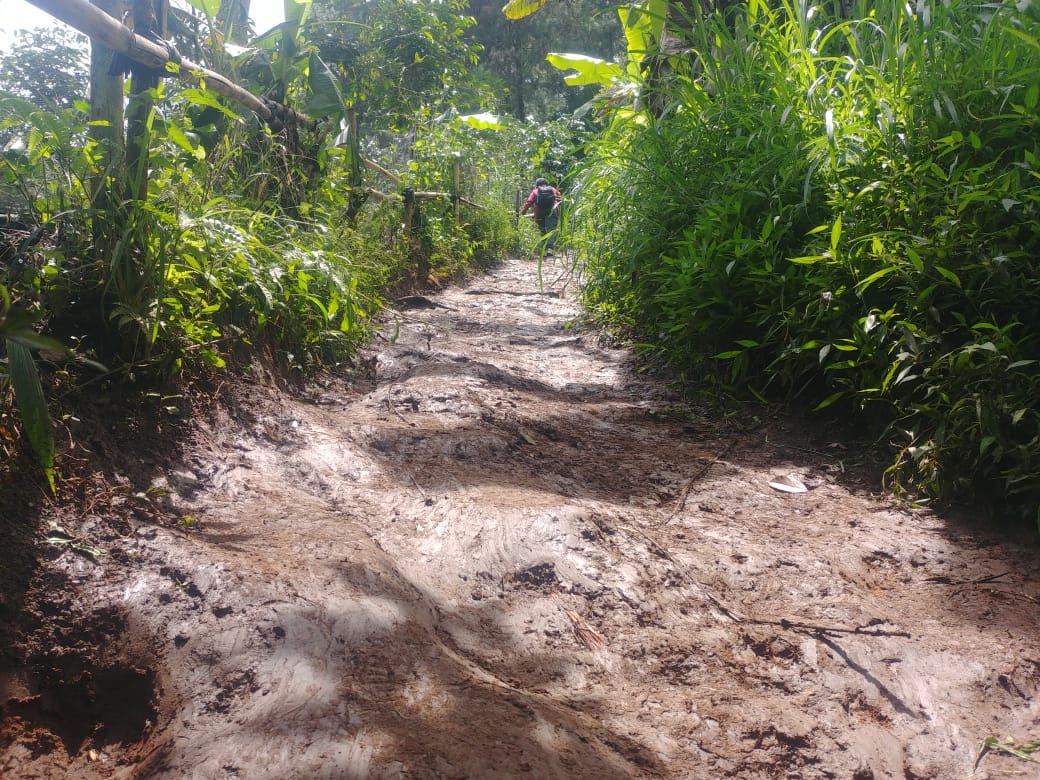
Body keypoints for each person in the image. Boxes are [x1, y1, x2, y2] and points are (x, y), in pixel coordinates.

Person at [520, 177, 562, 254]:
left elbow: (529, 202)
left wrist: (523, 212)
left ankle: (544, 249)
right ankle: (550, 249)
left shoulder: (535, 191)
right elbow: (560, 200)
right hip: (552, 210)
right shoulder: (553, 189)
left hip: (540, 212)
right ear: (546, 184)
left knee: (542, 229)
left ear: (537, 185)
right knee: (551, 229)